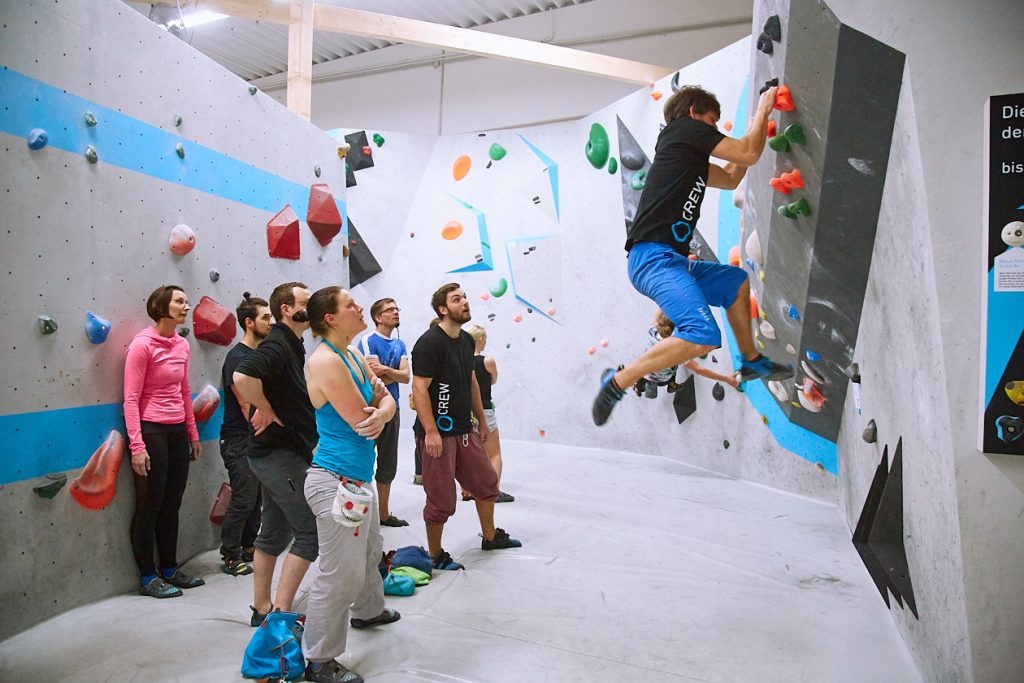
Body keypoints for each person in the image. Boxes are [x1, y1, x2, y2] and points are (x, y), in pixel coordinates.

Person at [593, 84, 793, 426]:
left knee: (735, 282)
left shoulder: (687, 159)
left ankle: (750, 359)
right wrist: (763, 109)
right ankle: (618, 381)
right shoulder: (682, 131)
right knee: (702, 334)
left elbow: (732, 177)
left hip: (673, 260)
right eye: (711, 121)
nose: (713, 130)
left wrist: (754, 131)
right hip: (652, 259)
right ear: (693, 114)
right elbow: (747, 153)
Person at [302, 286, 400, 683]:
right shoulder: (325, 361)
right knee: (339, 573)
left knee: (370, 551)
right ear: (330, 318)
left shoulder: (353, 354)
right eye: (350, 305)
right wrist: (381, 412)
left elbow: (387, 400)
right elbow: (364, 420)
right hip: (335, 483)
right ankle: (319, 661)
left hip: (357, 481)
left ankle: (368, 610)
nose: (360, 307)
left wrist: (384, 411)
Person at [411, 283, 522, 571]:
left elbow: (471, 381)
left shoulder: (464, 342)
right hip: (438, 435)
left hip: (464, 431)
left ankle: (490, 536)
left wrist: (481, 421)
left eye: (465, 298)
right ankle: (435, 555)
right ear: (443, 309)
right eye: (457, 299)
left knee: (486, 484)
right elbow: (419, 388)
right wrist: (431, 431)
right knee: (441, 500)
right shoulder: (429, 343)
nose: (465, 303)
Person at [233, 282, 318, 625]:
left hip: (279, 453)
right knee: (309, 534)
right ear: (287, 309)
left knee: (274, 533)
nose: (311, 308)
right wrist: (265, 406)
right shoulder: (279, 343)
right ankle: (280, 616)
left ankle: (262, 608)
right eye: (306, 303)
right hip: (277, 456)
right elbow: (242, 375)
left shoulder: (292, 344)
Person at [124, 285, 205, 599]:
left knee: (172, 505)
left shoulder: (182, 344)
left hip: (176, 432)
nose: (186, 305)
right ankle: (147, 577)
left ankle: (169, 569)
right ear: (161, 306)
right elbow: (130, 399)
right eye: (179, 301)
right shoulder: (142, 345)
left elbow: (185, 392)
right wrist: (137, 446)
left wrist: (193, 434)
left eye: (186, 301)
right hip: (151, 431)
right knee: (150, 506)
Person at [217, 293, 272, 576]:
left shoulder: (260, 355)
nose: (271, 322)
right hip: (240, 439)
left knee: (257, 498)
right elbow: (245, 403)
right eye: (266, 317)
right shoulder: (237, 357)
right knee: (244, 498)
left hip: (257, 437)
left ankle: (250, 545)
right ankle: (230, 554)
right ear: (249, 323)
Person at [357, 298, 411, 527]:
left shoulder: (401, 344)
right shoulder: (368, 341)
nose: (396, 312)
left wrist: (387, 371)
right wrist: (393, 373)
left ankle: (384, 515)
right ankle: (358, 512)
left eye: (397, 308)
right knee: (363, 460)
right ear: (378, 317)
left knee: (388, 462)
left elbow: (406, 376)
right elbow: (372, 378)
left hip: (394, 409)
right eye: (390, 310)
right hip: (370, 409)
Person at [633, 310, 740, 398]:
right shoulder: (678, 353)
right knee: (672, 368)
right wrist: (727, 378)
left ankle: (639, 387)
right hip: (663, 377)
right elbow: (699, 370)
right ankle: (670, 383)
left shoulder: (653, 331)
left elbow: (658, 315)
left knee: (645, 377)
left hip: (645, 370)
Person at [464, 325, 513, 503]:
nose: (485, 341)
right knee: (494, 454)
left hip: (466, 412)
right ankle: (493, 491)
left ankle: (469, 490)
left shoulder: (462, 361)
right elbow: (493, 380)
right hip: (484, 410)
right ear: (478, 339)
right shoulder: (488, 361)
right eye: (484, 338)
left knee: (472, 453)